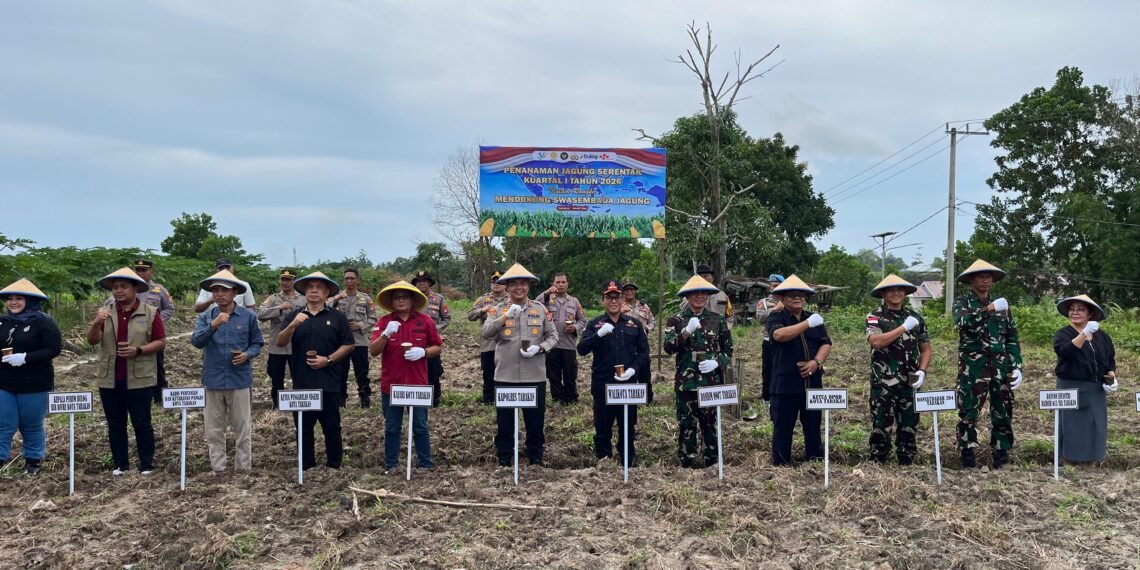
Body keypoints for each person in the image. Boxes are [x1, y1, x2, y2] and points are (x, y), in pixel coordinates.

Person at [87, 267, 167, 475]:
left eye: (123, 286)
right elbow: (92, 340)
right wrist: (96, 323)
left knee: (142, 422)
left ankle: (146, 464)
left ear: (135, 289)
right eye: (115, 287)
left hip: (139, 378)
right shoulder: (106, 313)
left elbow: (160, 341)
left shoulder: (150, 312)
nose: (119, 291)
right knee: (115, 424)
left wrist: (138, 350)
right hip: (110, 378)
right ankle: (120, 464)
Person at [275, 271, 354, 470]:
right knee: (303, 427)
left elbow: (348, 344)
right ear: (304, 292)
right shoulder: (295, 315)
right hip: (302, 381)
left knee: (332, 426)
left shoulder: (337, 317)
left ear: (327, 292)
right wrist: (292, 326)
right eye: (310, 287)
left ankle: (334, 465)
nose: (314, 291)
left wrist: (327, 360)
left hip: (329, 381)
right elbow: (280, 341)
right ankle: (306, 466)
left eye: (319, 287)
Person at [481, 263, 558, 467]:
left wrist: (540, 348)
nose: (518, 288)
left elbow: (553, 336)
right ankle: (505, 457)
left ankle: (535, 457)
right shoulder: (497, 310)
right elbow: (486, 333)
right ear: (506, 287)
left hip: (535, 376)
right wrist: (506, 316)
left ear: (528, 286)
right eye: (513, 284)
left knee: (535, 422)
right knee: (505, 423)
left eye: (523, 283)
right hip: (506, 377)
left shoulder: (540, 309)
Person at [191, 270, 264, 473]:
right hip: (212, 379)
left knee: (242, 427)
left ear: (234, 293)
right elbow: (196, 341)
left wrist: (247, 355)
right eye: (215, 290)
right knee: (213, 429)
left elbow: (257, 343)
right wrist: (212, 326)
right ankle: (219, 468)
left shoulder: (248, 316)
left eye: (224, 290)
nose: (219, 294)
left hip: (239, 379)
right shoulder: (206, 317)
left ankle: (243, 468)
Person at [953, 259, 1023, 469]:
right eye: (980, 277)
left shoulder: (1003, 306)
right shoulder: (963, 303)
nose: (985, 281)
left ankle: (1001, 455)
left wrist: (1016, 365)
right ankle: (967, 456)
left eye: (988, 277)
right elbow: (962, 322)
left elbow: (1011, 337)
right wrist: (990, 309)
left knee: (1003, 409)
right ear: (972, 280)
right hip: (973, 367)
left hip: (1000, 366)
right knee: (969, 410)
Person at [369, 281, 443, 473]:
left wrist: (423, 352)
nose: (400, 301)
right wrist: (385, 334)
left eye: (404, 297)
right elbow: (373, 351)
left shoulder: (425, 321)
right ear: (392, 301)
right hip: (391, 384)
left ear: (412, 300)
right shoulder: (384, 322)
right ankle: (391, 465)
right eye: (396, 297)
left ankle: (425, 464)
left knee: (420, 425)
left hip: (417, 384)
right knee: (392, 427)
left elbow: (437, 347)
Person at [664, 274, 733, 468]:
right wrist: (686, 332)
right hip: (686, 381)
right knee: (687, 422)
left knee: (710, 423)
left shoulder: (717, 320)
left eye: (703, 293)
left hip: (710, 381)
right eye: (695, 293)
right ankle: (688, 460)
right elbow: (668, 347)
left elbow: (729, 350)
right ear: (687, 296)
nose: (700, 297)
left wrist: (717, 363)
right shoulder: (676, 320)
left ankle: (712, 460)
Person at [578, 280, 650, 464]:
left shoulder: (634, 324)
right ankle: (604, 461)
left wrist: (633, 370)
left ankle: (627, 460)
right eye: (609, 297)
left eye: (616, 297)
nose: (613, 301)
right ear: (603, 300)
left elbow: (643, 353)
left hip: (627, 384)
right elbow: (582, 349)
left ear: (622, 300)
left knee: (627, 426)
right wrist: (598, 335)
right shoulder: (595, 324)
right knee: (602, 427)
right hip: (603, 383)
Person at [865, 275, 932, 465]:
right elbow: (876, 342)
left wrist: (922, 371)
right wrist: (903, 327)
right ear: (884, 294)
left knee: (909, 422)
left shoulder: (915, 317)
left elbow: (926, 348)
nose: (896, 293)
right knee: (881, 423)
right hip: (883, 381)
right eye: (891, 290)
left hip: (909, 380)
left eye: (900, 290)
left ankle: (906, 459)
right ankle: (878, 460)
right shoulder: (874, 316)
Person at [767, 275, 831, 466]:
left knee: (813, 424)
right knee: (783, 426)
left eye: (801, 295)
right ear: (782, 298)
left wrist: (816, 362)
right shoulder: (776, 317)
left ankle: (815, 461)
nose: (797, 298)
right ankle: (781, 463)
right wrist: (806, 325)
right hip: (785, 383)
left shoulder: (814, 317)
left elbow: (826, 343)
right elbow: (779, 335)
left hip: (812, 381)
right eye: (792, 295)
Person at [0, 279, 62, 475]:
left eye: (19, 298)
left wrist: (26, 357)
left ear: (31, 301)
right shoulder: (3, 322)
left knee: (31, 424)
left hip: (35, 383)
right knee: (3, 424)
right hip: (4, 382)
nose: (13, 302)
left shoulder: (44, 322)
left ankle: (33, 461)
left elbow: (53, 349)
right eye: (10, 299)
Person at [1053, 294, 1117, 464]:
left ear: (1090, 314)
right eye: (1072, 309)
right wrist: (1084, 334)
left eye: (1080, 309)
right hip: (1070, 385)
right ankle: (1068, 459)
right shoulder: (1063, 334)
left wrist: (1112, 376)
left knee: (1096, 424)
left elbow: (1109, 360)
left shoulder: (1102, 337)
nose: (1075, 312)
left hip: (1096, 388)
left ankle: (1092, 460)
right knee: (1071, 425)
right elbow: (1065, 352)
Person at [126, 260, 175, 405]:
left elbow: (170, 309)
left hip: (153, 335)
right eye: (138, 270)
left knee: (157, 365)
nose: (140, 273)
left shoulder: (159, 290)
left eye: (143, 270)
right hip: (132, 334)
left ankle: (159, 396)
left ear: (151, 272)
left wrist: (155, 321)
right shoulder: (129, 289)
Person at [328, 267, 377, 408]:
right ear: (343, 280)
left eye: (352, 278)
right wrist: (337, 298)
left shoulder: (365, 299)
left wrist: (360, 325)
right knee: (340, 371)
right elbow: (324, 308)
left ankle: (364, 398)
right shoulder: (337, 297)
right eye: (346, 278)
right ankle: (340, 400)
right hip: (340, 341)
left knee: (362, 371)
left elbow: (373, 318)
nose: (349, 281)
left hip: (359, 341)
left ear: (358, 280)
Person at [257, 269, 305, 407]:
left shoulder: (302, 298)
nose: (285, 282)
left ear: (294, 281)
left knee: (298, 376)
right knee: (276, 377)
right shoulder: (273, 298)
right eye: (283, 279)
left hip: (296, 344)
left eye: (289, 279)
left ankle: (297, 403)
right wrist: (279, 308)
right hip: (277, 345)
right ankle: (277, 404)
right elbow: (260, 314)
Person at [537, 272, 586, 404]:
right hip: (551, 343)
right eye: (557, 282)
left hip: (568, 344)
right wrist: (547, 292)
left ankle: (571, 398)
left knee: (570, 374)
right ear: (553, 284)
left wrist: (575, 327)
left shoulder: (574, 301)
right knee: (554, 374)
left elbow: (582, 320)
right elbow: (535, 304)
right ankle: (557, 398)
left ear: (567, 284)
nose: (560, 285)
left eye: (563, 282)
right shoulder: (547, 299)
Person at [467, 270, 507, 405]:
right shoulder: (483, 299)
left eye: (499, 281)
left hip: (507, 341)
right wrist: (482, 310)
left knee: (506, 372)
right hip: (488, 343)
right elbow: (470, 316)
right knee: (489, 373)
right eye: (493, 281)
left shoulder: (511, 299)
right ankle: (489, 400)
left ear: (506, 284)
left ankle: (505, 398)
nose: (496, 284)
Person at [412, 271, 450, 407]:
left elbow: (446, 319)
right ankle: (417, 399)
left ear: (429, 283)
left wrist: (435, 330)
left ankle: (435, 399)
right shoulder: (411, 298)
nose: (422, 283)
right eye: (419, 281)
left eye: (425, 281)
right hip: (413, 339)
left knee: (434, 369)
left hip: (432, 340)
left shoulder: (438, 299)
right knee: (414, 369)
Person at [620, 279, 655, 404]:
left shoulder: (643, 306)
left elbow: (652, 322)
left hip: (642, 343)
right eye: (626, 290)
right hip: (625, 343)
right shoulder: (619, 306)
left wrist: (647, 328)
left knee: (644, 370)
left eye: (632, 289)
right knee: (628, 369)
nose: (629, 292)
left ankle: (647, 398)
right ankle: (630, 398)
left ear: (635, 291)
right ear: (622, 292)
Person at [757, 273, 785, 405]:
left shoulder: (788, 300)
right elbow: (760, 318)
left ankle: (781, 395)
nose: (774, 288)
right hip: (769, 339)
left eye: (777, 285)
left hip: (786, 339)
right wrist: (775, 309)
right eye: (772, 285)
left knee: (784, 368)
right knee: (768, 369)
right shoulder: (763, 302)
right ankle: (767, 398)